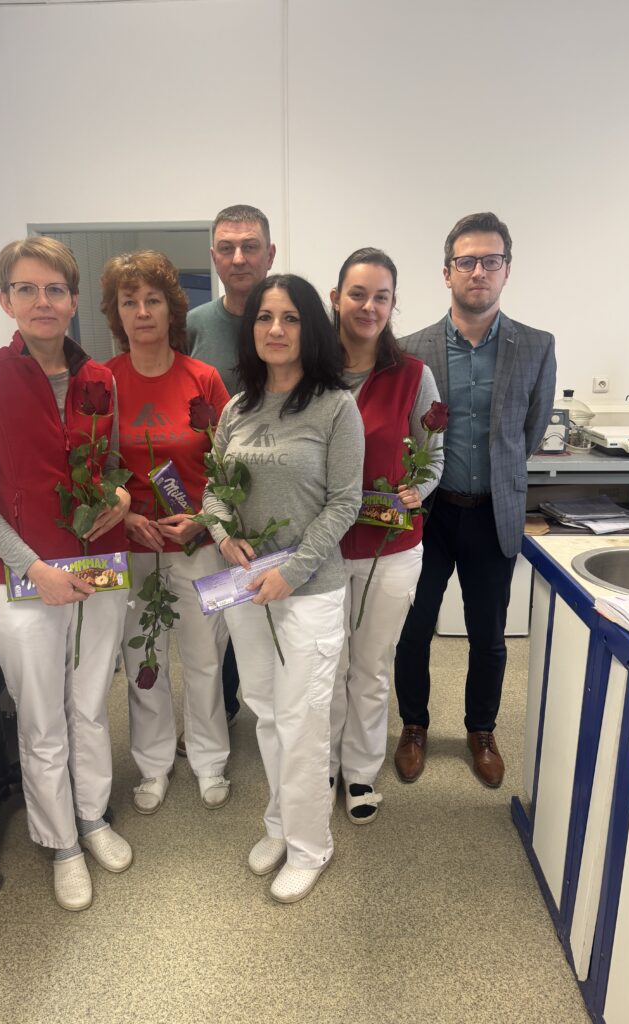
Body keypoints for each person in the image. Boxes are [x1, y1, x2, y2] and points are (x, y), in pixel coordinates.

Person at [0, 237, 133, 912]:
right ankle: (61, 842)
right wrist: (32, 564)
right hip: (22, 581)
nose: (42, 301)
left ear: (73, 299)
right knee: (42, 717)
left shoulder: (100, 379)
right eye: (26, 289)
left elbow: (111, 469)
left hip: (95, 571)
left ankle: (93, 816)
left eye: (55, 289)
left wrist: (119, 500)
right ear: (7, 301)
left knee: (90, 705)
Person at [202, 273, 364, 903]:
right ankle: (280, 822)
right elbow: (215, 490)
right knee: (267, 713)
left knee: (303, 722)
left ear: (310, 328)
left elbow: (344, 502)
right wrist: (222, 536)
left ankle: (310, 845)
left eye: (290, 318)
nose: (276, 329)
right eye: (265, 318)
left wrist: (291, 571)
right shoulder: (237, 408)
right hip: (246, 586)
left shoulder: (335, 406)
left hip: (309, 589)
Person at [394, 212, 556, 787]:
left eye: (491, 260)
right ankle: (414, 725)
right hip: (429, 513)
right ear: (447, 272)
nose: (479, 271)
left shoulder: (535, 346)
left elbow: (529, 432)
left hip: (493, 512)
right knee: (414, 629)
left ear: (507, 270)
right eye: (467, 261)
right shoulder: (409, 349)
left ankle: (481, 730)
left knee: (488, 635)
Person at [101, 251, 232, 813]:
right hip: (132, 546)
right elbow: (92, 465)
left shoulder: (204, 379)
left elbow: (231, 465)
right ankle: (153, 764)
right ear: (116, 313)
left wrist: (204, 517)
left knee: (205, 657)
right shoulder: (103, 381)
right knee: (143, 659)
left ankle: (209, 760)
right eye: (129, 301)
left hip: (198, 544)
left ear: (171, 309)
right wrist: (126, 515)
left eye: (152, 300)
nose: (142, 311)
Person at [328, 248, 444, 823]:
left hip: (390, 548)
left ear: (394, 303)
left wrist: (418, 488)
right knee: (327, 666)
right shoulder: (310, 370)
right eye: (358, 294)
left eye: (381, 296)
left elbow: (433, 456)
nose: (368, 306)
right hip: (322, 549)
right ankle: (323, 764)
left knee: (371, 666)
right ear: (336, 299)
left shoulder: (413, 375)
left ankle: (359, 772)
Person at [185, 204, 276, 729]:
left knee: (271, 608)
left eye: (250, 246)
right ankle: (217, 714)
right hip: (215, 497)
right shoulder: (194, 325)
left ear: (271, 253)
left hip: (282, 494)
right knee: (217, 613)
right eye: (227, 247)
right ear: (215, 256)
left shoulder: (291, 317)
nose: (238, 258)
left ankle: (276, 714)